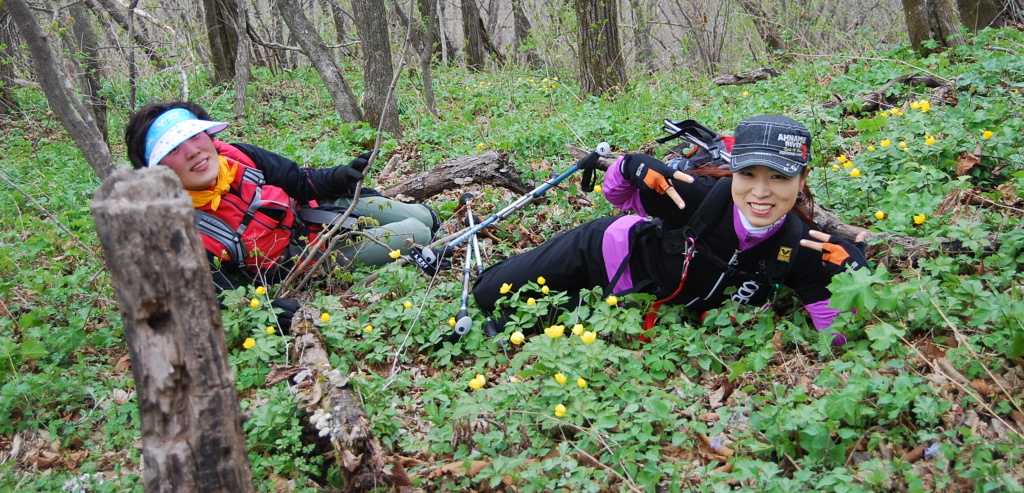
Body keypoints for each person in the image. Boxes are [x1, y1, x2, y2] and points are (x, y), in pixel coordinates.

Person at [473, 115, 868, 344]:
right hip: (603, 251)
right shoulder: (699, 196)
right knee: (488, 295)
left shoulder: (802, 247)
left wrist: (855, 278)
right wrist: (629, 165)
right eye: (747, 174)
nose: (760, 192)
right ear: (733, 172)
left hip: (636, 303)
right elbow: (617, 193)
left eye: (779, 177)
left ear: (802, 179)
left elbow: (836, 338)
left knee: (513, 330)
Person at [125, 101, 440, 301]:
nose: (192, 151)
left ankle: (439, 224)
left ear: (210, 138)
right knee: (418, 232)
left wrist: (343, 175)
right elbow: (220, 295)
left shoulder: (240, 157)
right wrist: (270, 313)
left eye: (194, 136)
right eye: (174, 149)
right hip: (308, 262)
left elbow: (300, 182)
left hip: (317, 217)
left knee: (423, 217)